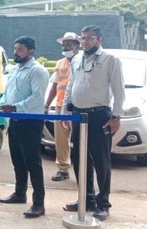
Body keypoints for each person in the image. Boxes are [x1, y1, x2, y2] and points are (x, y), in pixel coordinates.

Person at [62, 25, 125, 221]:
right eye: (83, 38)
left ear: (99, 40)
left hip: (99, 116)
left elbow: (119, 90)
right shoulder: (77, 58)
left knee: (101, 160)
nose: (85, 42)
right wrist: (65, 109)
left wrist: (116, 117)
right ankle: (86, 198)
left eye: (90, 38)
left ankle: (103, 203)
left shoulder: (110, 60)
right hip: (79, 116)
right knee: (79, 158)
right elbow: (71, 84)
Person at [0, 36, 48, 218]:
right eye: (15, 48)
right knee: (17, 161)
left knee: (33, 163)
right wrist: (4, 105)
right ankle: (20, 194)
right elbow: (7, 93)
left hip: (30, 122)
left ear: (31, 52)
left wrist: (15, 107)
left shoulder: (38, 71)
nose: (15, 52)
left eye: (20, 49)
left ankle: (39, 204)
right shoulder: (14, 70)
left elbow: (37, 97)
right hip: (15, 121)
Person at [44, 32, 80, 182]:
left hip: (78, 107)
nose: (66, 47)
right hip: (60, 107)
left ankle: (82, 171)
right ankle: (63, 169)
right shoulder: (61, 63)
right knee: (61, 141)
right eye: (64, 44)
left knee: (80, 140)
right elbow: (54, 86)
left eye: (69, 44)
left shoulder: (82, 61)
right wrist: (47, 104)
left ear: (77, 46)